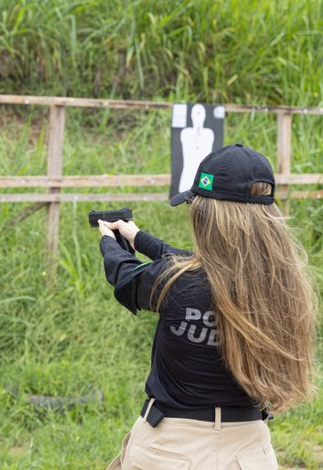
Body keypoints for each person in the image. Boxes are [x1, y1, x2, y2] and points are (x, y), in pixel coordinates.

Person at [98, 144, 317, 469]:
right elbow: (206, 267)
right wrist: (140, 238)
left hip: (170, 450)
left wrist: (109, 241)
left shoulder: (177, 283)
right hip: (249, 454)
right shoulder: (283, 286)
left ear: (207, 216)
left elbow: (126, 278)